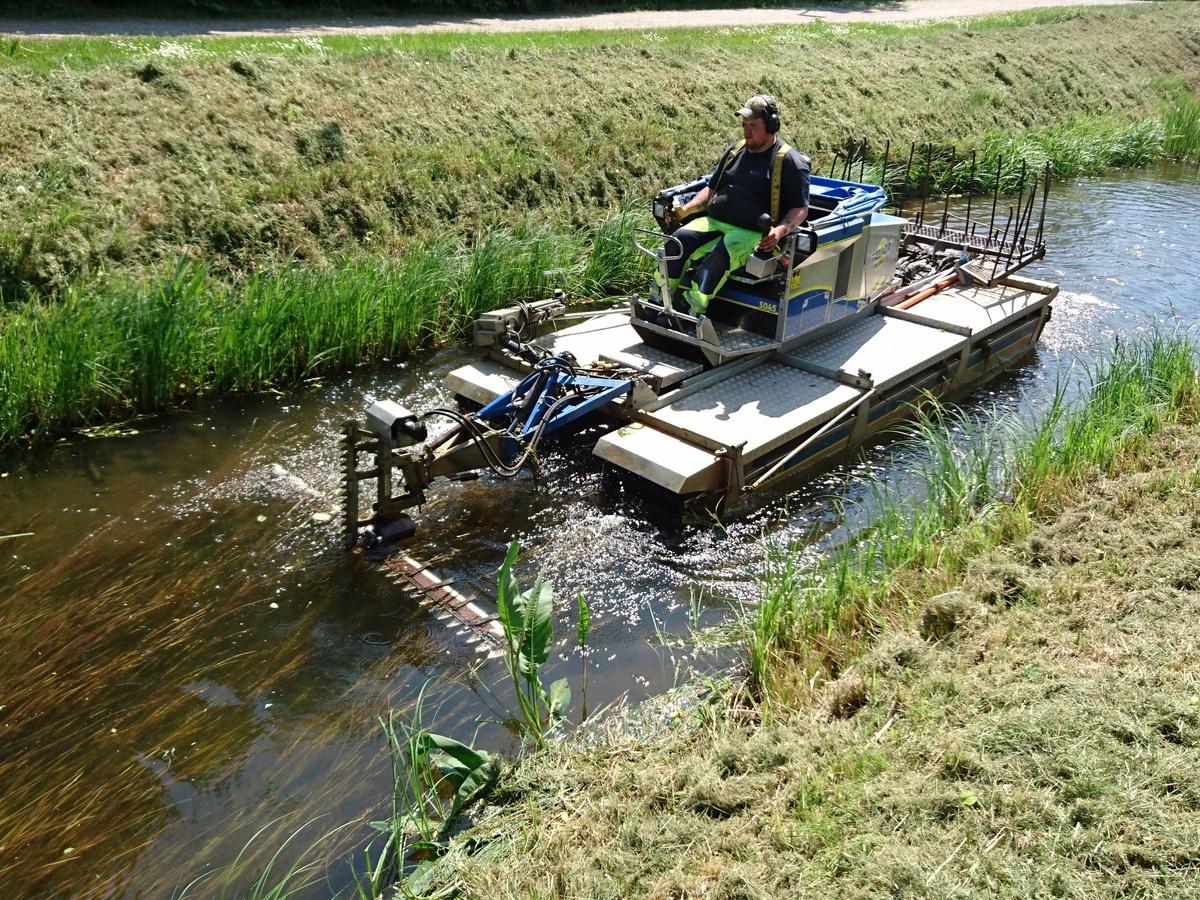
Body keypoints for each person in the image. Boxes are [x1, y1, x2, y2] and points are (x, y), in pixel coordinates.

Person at [664, 95, 810, 317]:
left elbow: (800, 209)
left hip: (751, 233)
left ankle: (690, 311)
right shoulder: (735, 150)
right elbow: (710, 190)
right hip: (715, 221)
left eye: (753, 125)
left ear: (771, 126)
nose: (747, 130)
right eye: (744, 125)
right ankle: (660, 299)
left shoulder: (788, 161)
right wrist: (687, 209)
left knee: (716, 259)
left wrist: (778, 232)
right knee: (677, 242)